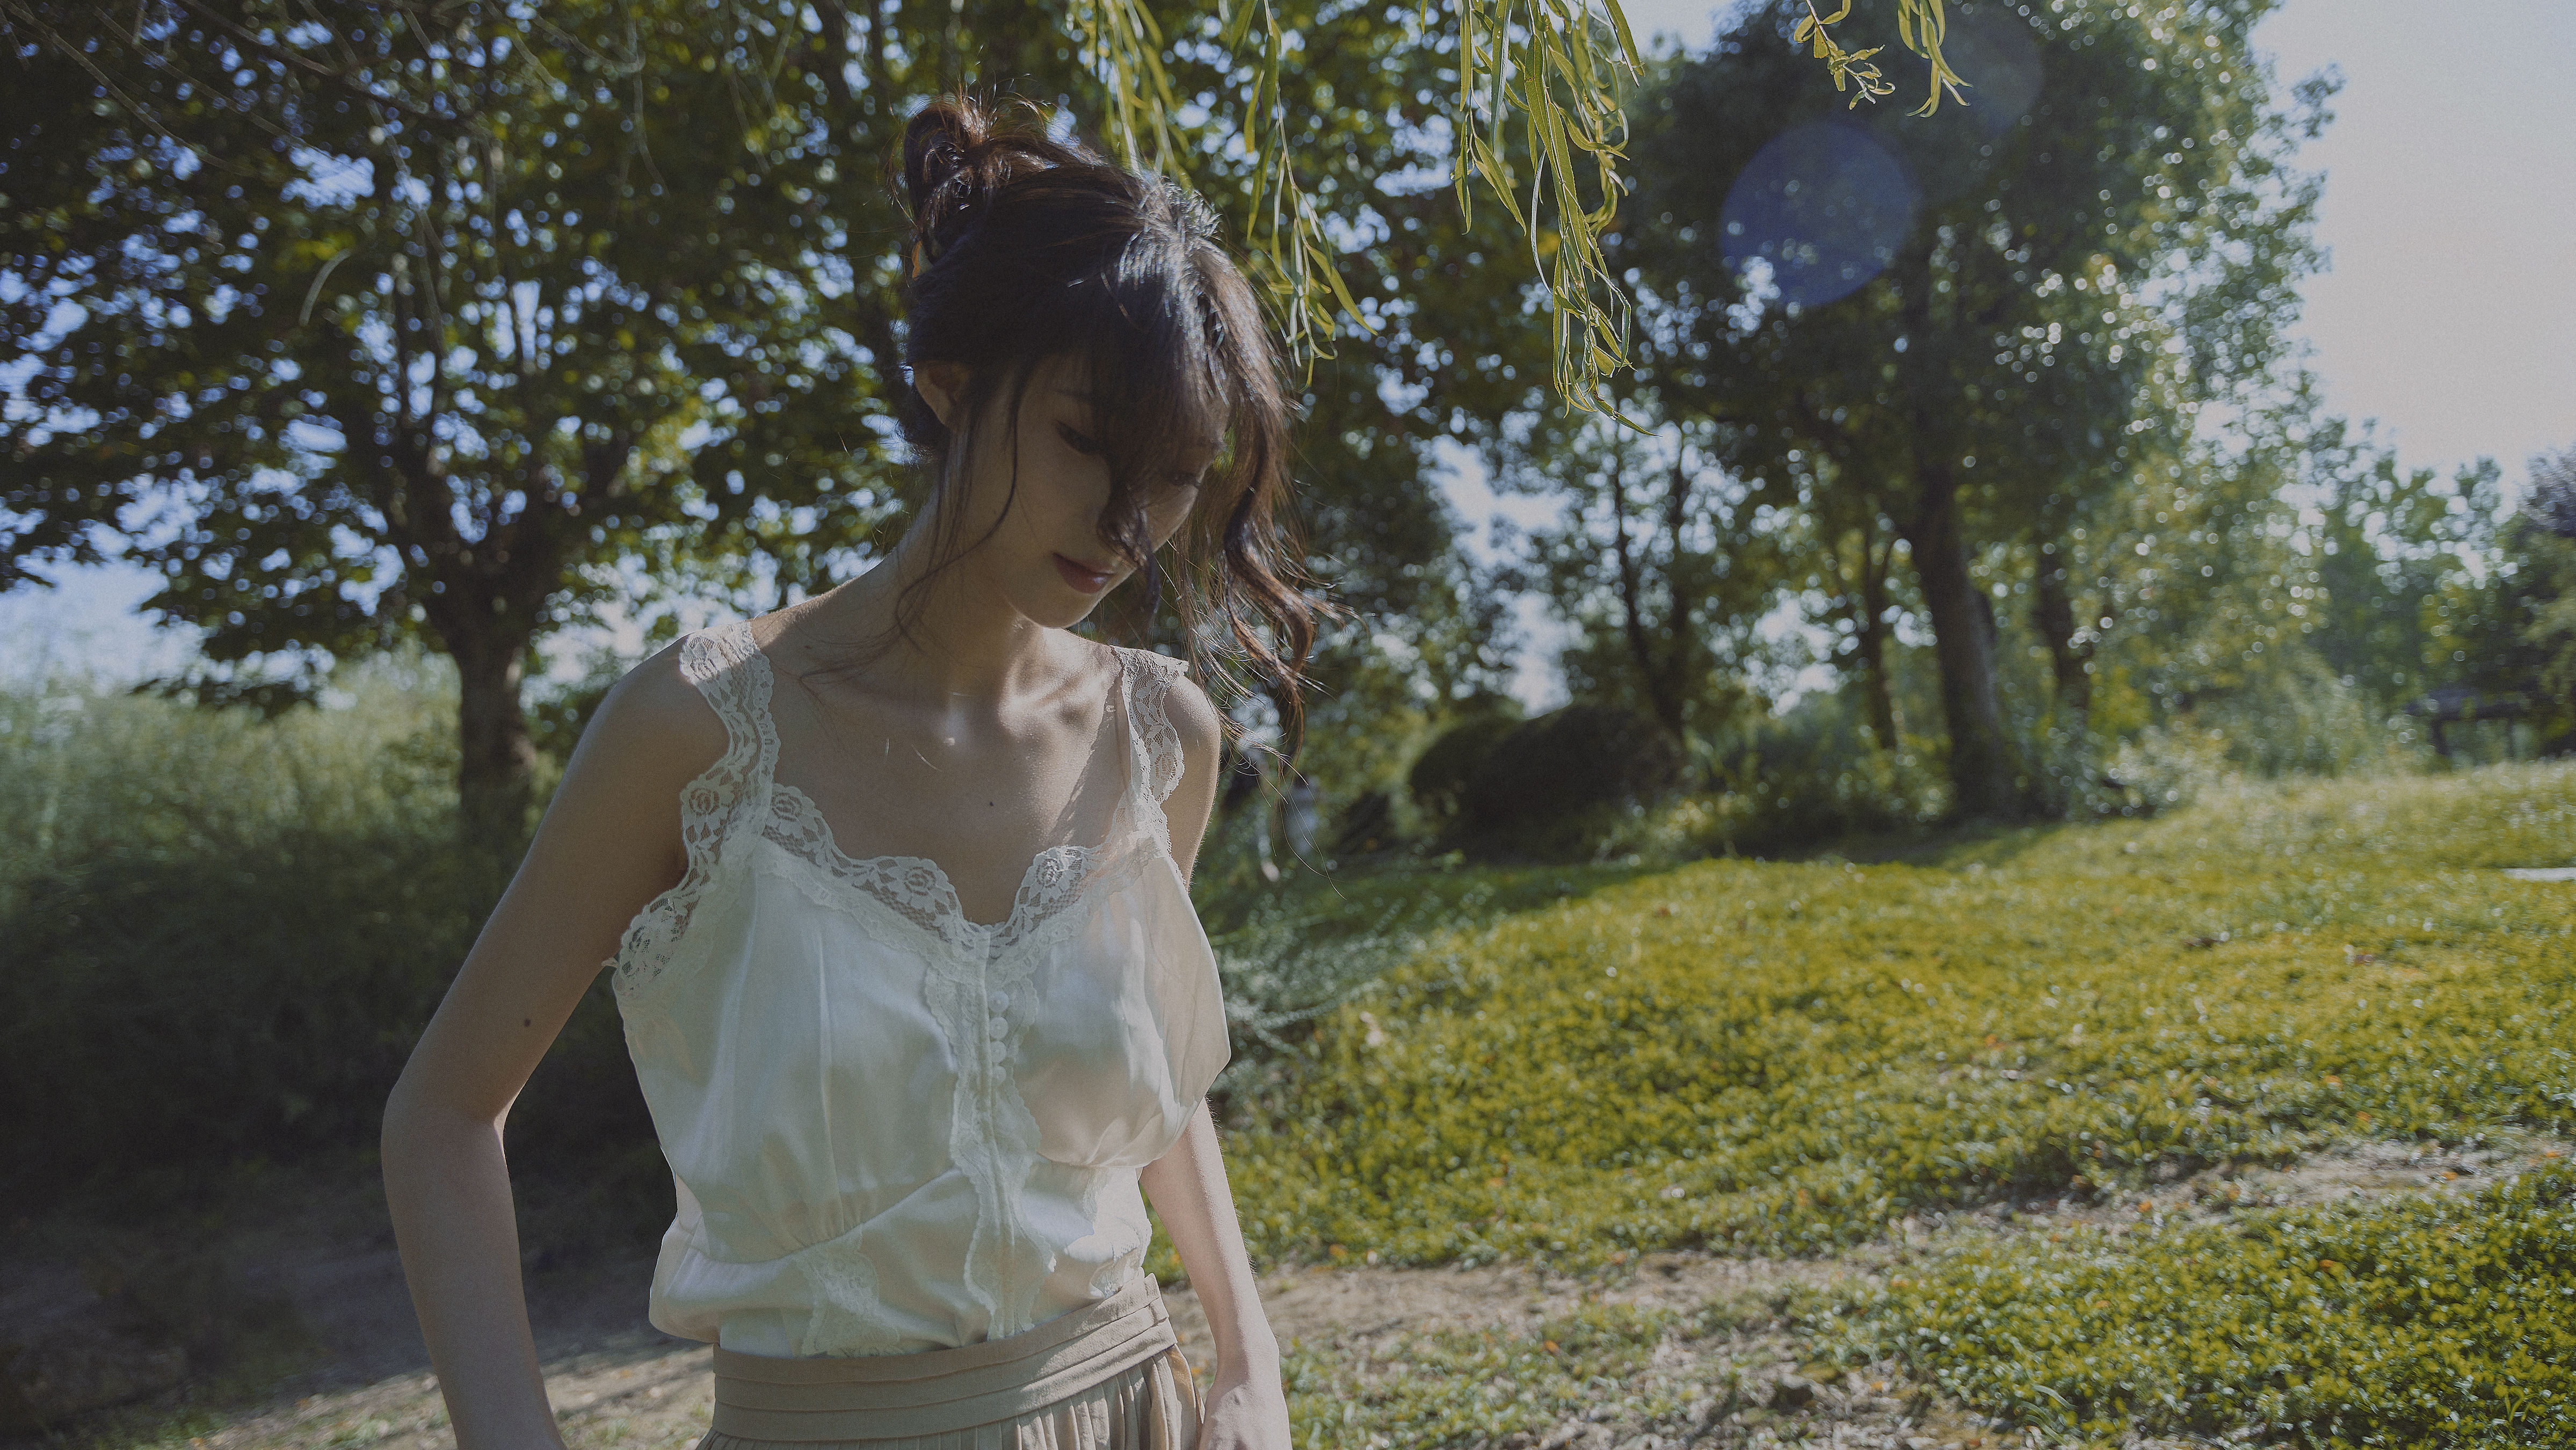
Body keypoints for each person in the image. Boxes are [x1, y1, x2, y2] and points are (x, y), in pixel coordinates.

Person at [380, 93, 1323, 1450]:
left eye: (1176, 475)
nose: (1129, 521)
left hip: (1133, 1409)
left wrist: (1248, 1356)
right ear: (950, 389)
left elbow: (1147, 1093)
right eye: (1081, 439)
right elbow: (444, 1113)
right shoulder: (700, 729)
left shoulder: (1162, 735)